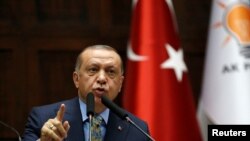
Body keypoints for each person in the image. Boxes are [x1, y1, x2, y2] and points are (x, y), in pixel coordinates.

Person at [22, 45, 150, 141]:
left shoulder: (137, 129)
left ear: (120, 83)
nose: (101, 78)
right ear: (76, 79)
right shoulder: (42, 118)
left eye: (111, 72)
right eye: (93, 69)